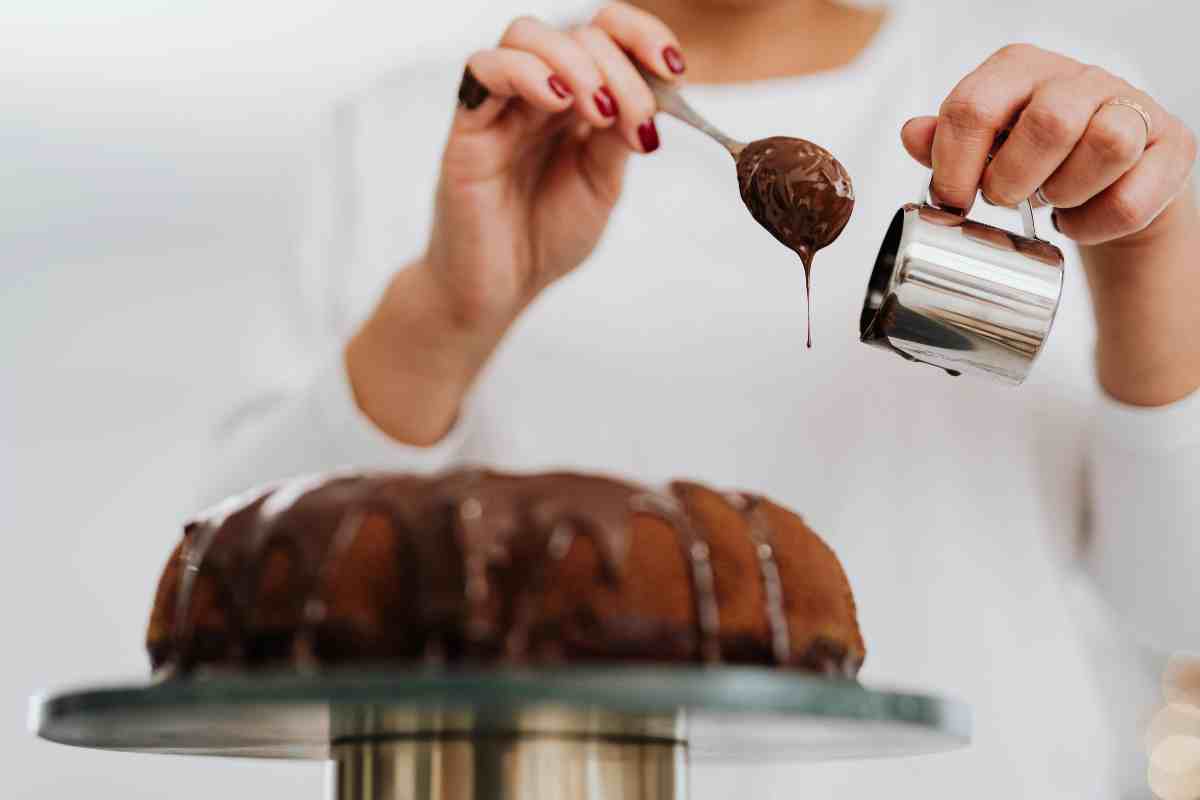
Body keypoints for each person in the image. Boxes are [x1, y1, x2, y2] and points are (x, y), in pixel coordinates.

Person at [205, 0, 1200, 796]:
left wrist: (1147, 257)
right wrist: (445, 313)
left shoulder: (1066, 122)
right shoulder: (428, 130)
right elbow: (238, 606)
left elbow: (1179, 605)